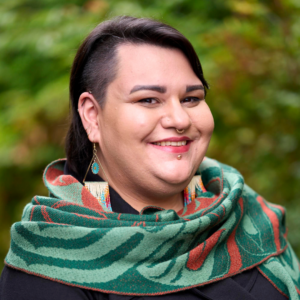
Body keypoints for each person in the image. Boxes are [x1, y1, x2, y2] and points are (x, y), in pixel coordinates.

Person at [0, 16, 299, 300]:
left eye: (191, 98)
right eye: (148, 100)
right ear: (92, 116)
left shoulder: (246, 211)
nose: (179, 119)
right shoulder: (51, 257)